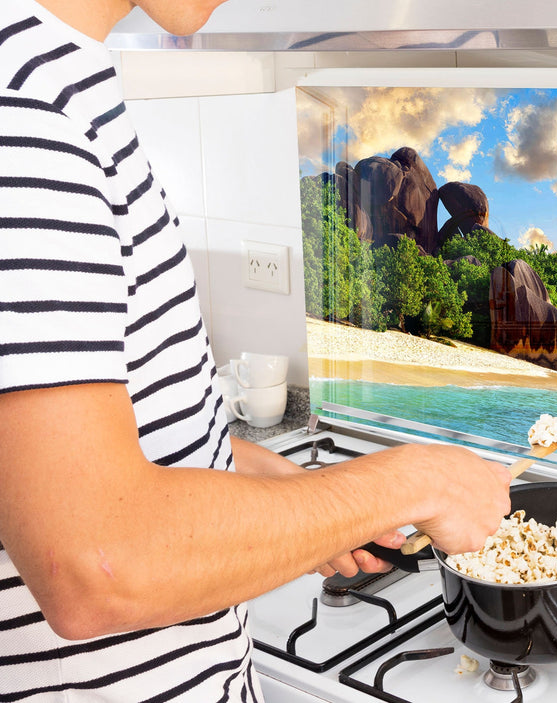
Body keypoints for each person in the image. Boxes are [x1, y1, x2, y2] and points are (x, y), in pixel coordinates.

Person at [0, 0, 513, 699]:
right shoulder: (24, 116)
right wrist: (416, 479)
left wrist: (300, 497)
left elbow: (94, 447)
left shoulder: (57, 78)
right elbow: (96, 563)